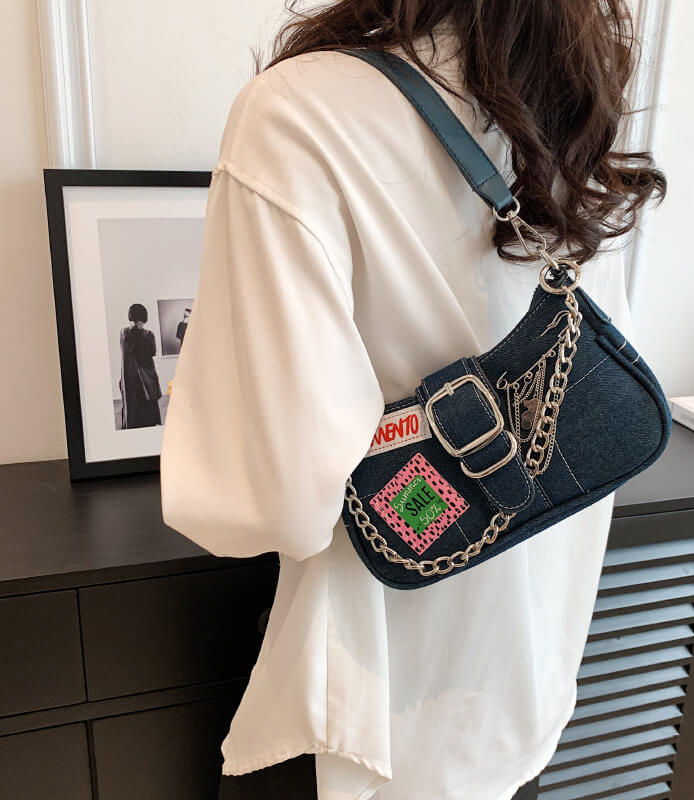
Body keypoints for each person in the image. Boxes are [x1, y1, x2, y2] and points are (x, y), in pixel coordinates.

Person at [159, 3, 666, 799]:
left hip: (365, 733)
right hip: (517, 705)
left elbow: (267, 507)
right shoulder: (570, 104)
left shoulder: (298, 114)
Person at [119, 302, 162, 428]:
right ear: (144, 317)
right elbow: (153, 352)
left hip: (130, 380)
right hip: (146, 378)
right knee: (148, 411)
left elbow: (128, 350)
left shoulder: (124, 334)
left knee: (134, 409)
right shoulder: (149, 335)